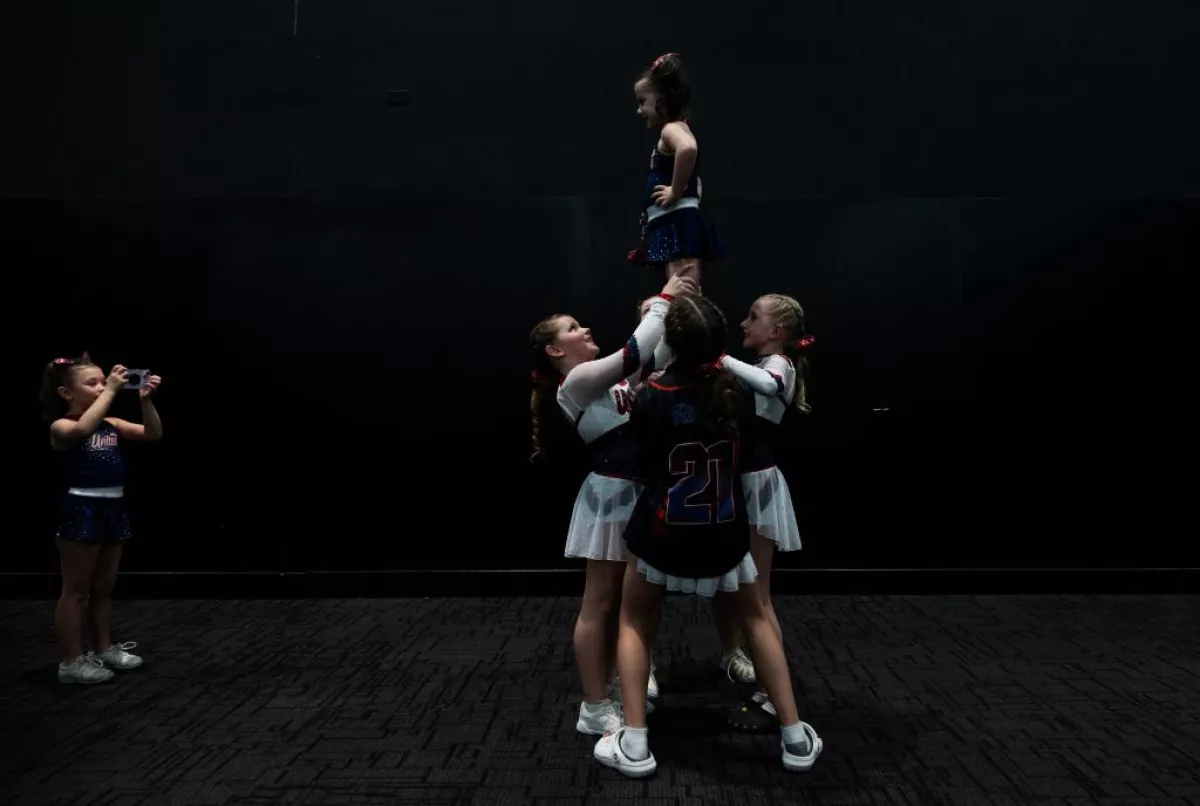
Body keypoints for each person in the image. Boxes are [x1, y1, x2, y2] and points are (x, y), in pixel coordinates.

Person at [594, 294, 822, 777]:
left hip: (662, 535)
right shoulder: (737, 392)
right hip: (724, 537)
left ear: (669, 343)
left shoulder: (654, 395)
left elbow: (642, 459)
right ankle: (796, 737)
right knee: (758, 617)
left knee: (634, 620)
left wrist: (632, 388)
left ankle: (634, 744)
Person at [528, 273, 696, 735]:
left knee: (643, 599)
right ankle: (593, 704)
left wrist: (672, 306)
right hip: (608, 495)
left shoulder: (612, 379)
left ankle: (630, 678)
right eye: (572, 328)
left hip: (642, 493)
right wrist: (663, 301)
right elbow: (634, 355)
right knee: (599, 602)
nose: (583, 330)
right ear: (555, 351)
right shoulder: (576, 381)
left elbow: (656, 358)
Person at [712, 293, 815, 730]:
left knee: (758, 598)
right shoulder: (756, 367)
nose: (743, 322)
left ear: (776, 332)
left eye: (753, 317)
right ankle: (757, 678)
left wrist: (719, 359)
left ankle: (775, 694)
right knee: (740, 594)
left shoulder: (780, 367)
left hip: (758, 485)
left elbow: (770, 386)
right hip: (739, 483)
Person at [39, 354, 163, 684]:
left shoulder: (112, 424)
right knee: (76, 590)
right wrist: (110, 390)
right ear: (66, 393)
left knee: (103, 589)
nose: (101, 387)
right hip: (82, 509)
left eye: (102, 380)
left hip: (113, 509)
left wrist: (146, 402)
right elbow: (81, 428)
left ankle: (103, 648)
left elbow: (152, 434)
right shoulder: (61, 426)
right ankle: (71, 661)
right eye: (91, 383)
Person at [627, 53, 724, 286]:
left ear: (662, 98)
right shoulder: (674, 129)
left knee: (683, 293)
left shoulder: (670, 130)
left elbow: (688, 148)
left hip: (677, 225)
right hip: (671, 224)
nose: (639, 111)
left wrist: (675, 191)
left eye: (642, 102)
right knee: (678, 293)